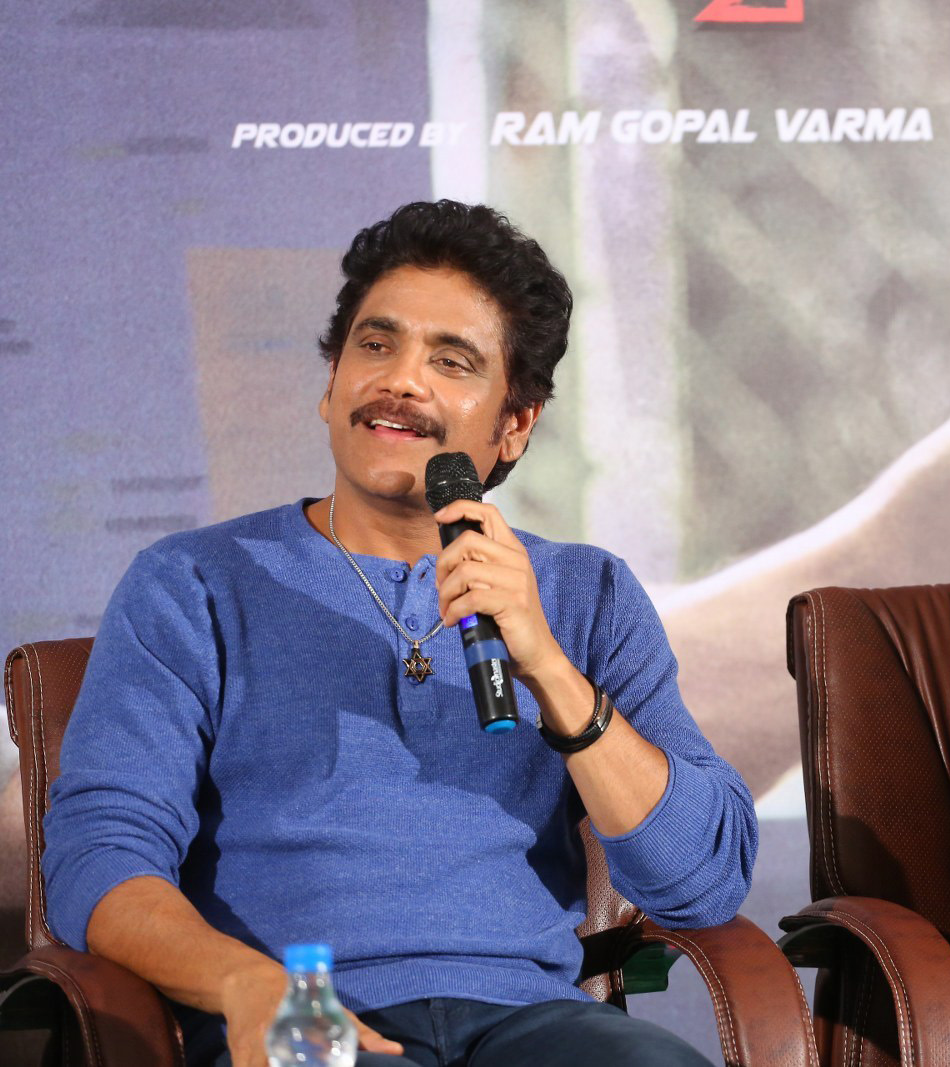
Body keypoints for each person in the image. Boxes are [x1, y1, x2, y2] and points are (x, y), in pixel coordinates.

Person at [41, 200, 756, 1067]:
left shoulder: (585, 592)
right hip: (309, 1014)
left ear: (515, 425)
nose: (401, 380)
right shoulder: (192, 583)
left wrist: (548, 667)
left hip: (533, 1024)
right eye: (376, 345)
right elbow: (99, 858)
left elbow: (702, 881)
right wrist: (244, 984)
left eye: (451, 361)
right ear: (331, 383)